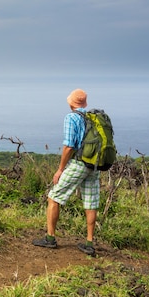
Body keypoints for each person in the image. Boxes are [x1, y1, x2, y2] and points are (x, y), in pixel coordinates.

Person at [32, 88, 99, 255]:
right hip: (94, 165)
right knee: (91, 203)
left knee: (54, 197)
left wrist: (60, 169)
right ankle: (89, 243)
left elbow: (69, 146)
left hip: (79, 163)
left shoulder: (71, 117)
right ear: (85, 103)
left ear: (71, 103)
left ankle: (50, 238)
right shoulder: (94, 117)